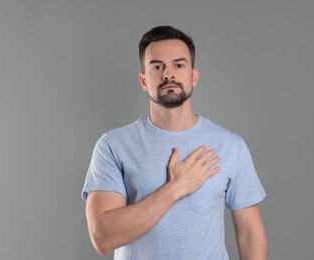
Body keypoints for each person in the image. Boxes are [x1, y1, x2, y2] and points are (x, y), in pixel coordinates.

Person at [82, 25, 267, 260]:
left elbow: (249, 233)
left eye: (179, 65)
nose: (168, 74)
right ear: (143, 80)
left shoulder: (231, 145)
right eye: (157, 67)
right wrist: (175, 189)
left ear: (194, 76)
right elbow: (103, 238)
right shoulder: (113, 145)